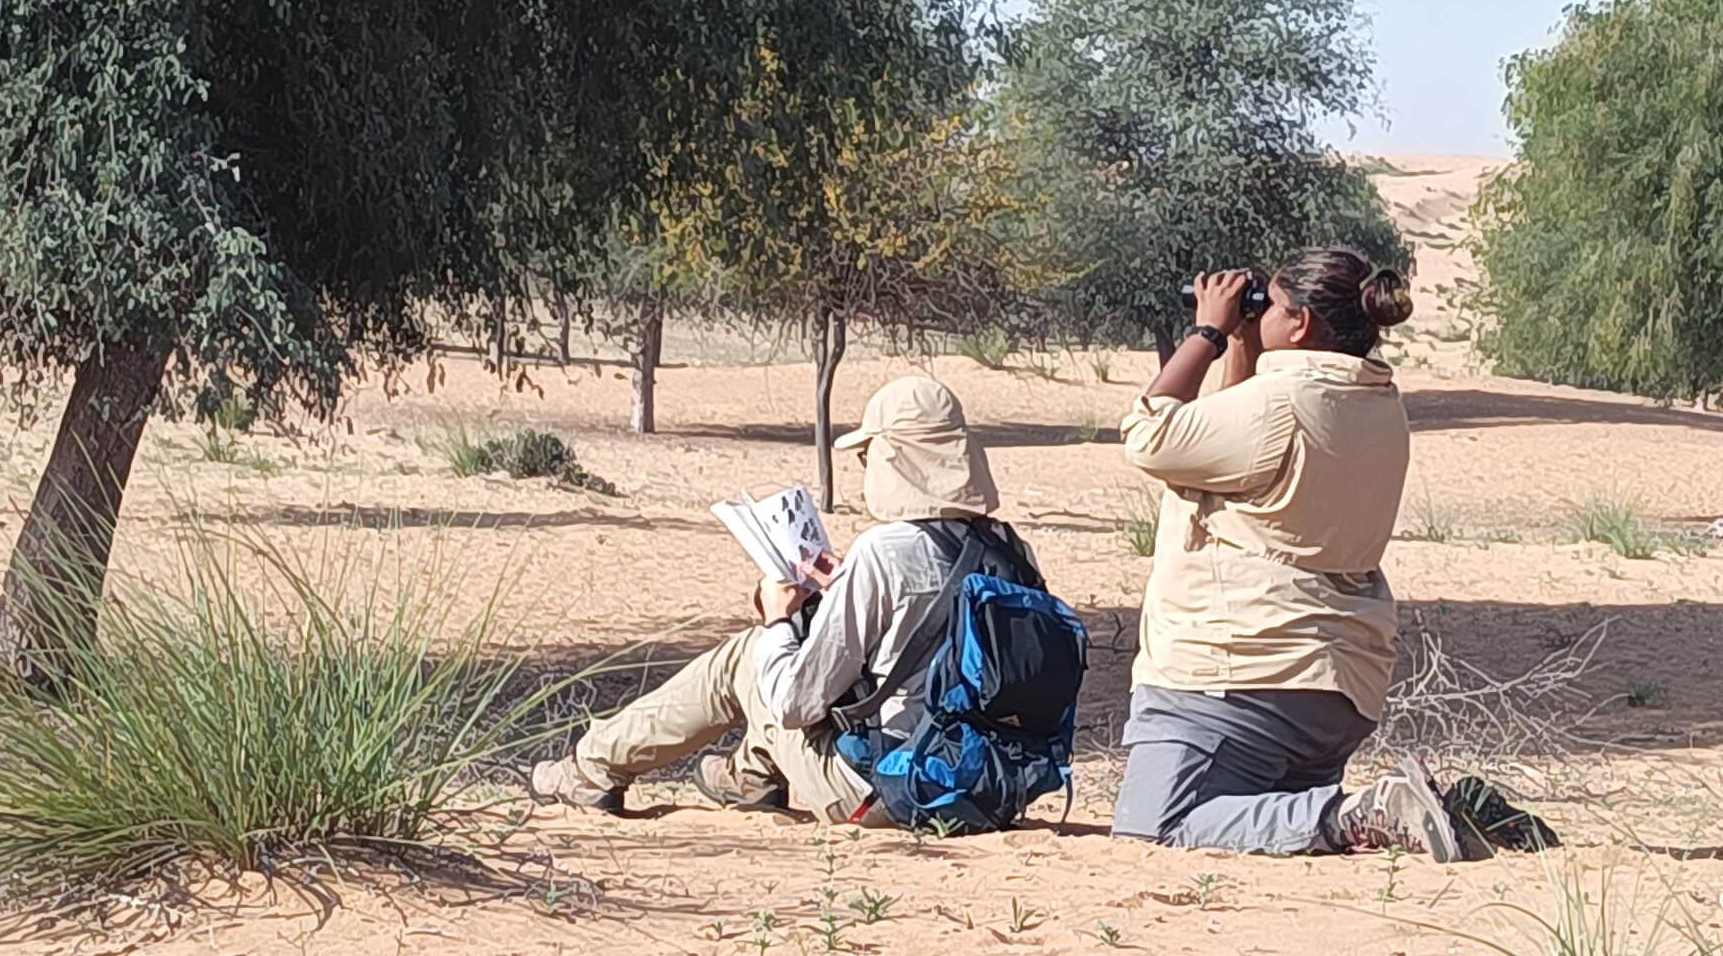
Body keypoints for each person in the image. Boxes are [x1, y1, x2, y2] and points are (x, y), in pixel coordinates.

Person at [1111, 246, 1549, 860]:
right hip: (1330, 691)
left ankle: (1357, 814)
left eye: (1272, 306)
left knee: (1157, 828)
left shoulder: (1280, 408)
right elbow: (1225, 442)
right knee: (1273, 826)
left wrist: (1208, 330)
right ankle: (1449, 812)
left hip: (1235, 677)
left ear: (1300, 323)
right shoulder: (1374, 405)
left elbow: (1148, 434)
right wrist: (1243, 347)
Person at [528, 375, 1030, 825]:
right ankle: (748, 775)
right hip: (985, 788)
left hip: (888, 790)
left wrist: (778, 618)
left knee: (748, 657)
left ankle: (592, 766)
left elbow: (795, 703)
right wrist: (843, 591)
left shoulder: (886, 550)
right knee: (790, 659)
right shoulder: (1010, 550)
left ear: (893, 459)